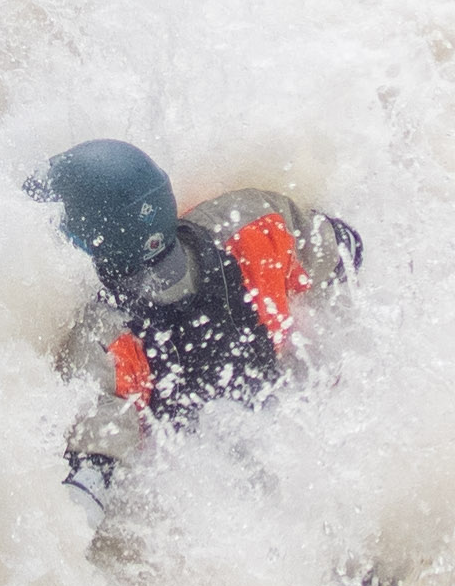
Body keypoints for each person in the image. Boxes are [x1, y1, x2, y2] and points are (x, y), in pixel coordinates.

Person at [25, 139, 363, 524]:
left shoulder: (104, 334)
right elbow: (348, 250)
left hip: (213, 507)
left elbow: (90, 481)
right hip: (305, 448)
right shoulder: (250, 221)